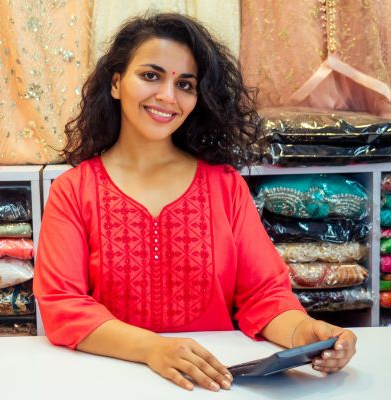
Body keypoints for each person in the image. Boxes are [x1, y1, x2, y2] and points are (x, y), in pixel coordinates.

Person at [33, 13, 357, 392]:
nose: (168, 97)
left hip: (210, 385)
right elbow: (63, 305)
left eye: (184, 84)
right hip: (107, 384)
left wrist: (307, 333)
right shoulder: (74, 190)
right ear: (116, 83)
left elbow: (264, 296)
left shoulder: (225, 187)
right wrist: (152, 348)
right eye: (151, 76)